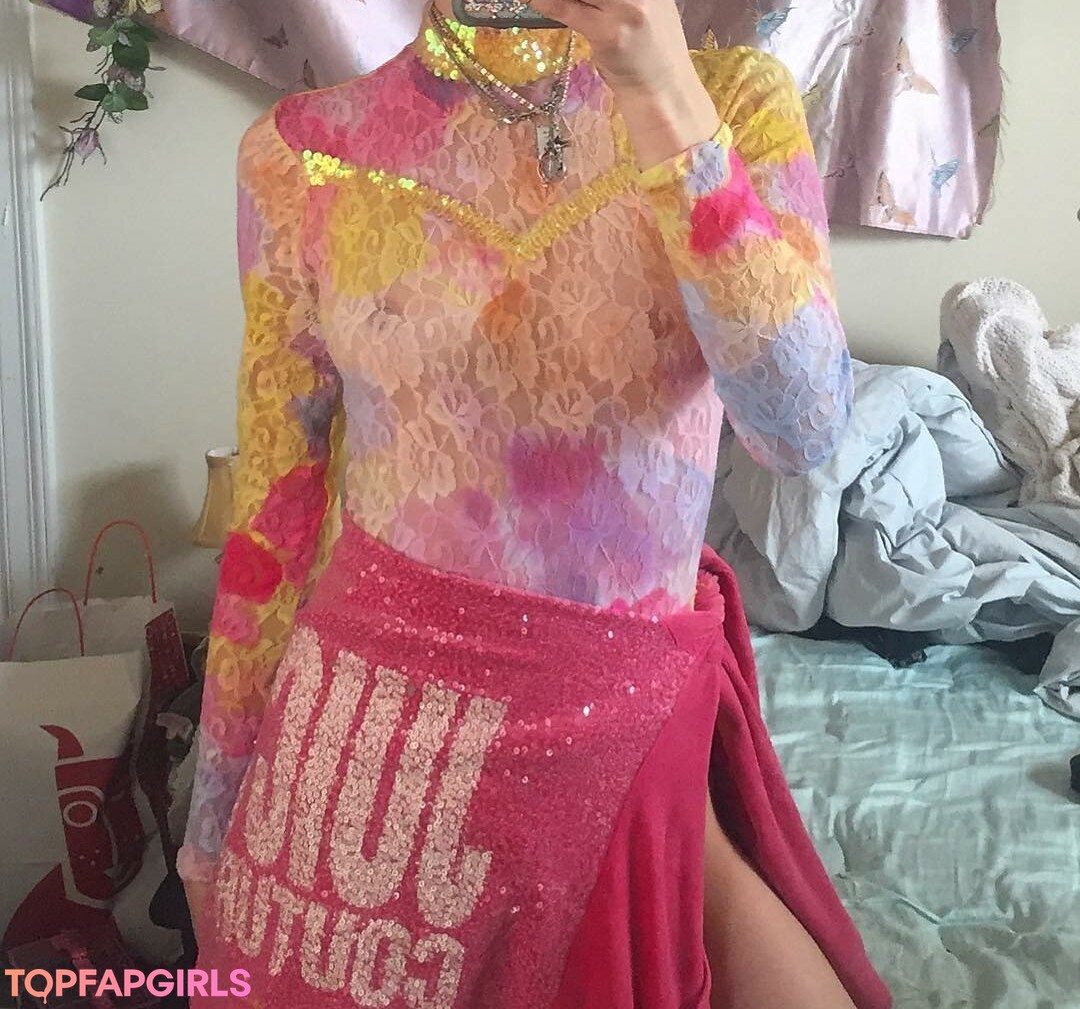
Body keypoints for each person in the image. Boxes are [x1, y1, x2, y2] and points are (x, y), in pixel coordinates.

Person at [178, 1, 890, 1006]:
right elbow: (272, 522)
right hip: (361, 764)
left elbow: (801, 427)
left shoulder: (734, 103)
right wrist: (210, 826)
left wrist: (660, 91)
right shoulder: (302, 152)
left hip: (616, 718)